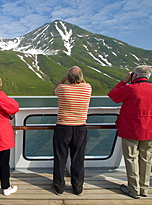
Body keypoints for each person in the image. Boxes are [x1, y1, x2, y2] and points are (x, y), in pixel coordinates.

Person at [108, 65, 152, 199]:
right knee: (146, 159)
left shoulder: (130, 89)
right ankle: (144, 188)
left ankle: (133, 189)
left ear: (135, 76)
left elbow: (113, 95)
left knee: (131, 158)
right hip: (151, 130)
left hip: (131, 129)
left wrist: (125, 81)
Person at [52, 66, 92, 196]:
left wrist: (64, 78)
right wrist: (78, 76)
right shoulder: (87, 88)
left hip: (63, 126)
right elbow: (83, 82)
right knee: (78, 158)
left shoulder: (62, 89)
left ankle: (59, 187)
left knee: (60, 157)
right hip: (80, 127)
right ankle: (77, 187)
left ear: (68, 78)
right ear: (81, 77)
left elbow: (55, 89)